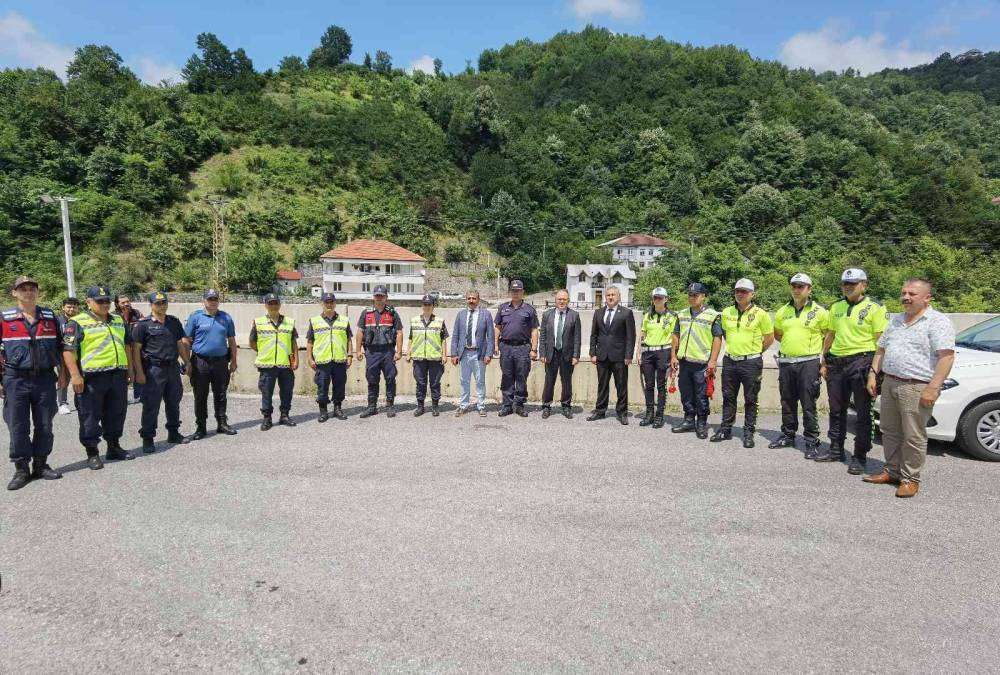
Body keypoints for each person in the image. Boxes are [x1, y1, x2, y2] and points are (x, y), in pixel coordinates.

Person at [863, 279, 955, 498]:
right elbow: (881, 349)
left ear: (927, 298)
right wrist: (873, 374)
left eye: (912, 294)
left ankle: (910, 479)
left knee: (913, 435)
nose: (906, 297)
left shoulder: (938, 322)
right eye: (904, 293)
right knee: (889, 430)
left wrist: (933, 387)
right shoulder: (896, 320)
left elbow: (947, 357)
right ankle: (892, 471)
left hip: (917, 386)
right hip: (890, 382)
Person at [814, 268, 888, 474]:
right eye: (845, 284)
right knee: (836, 409)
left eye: (853, 284)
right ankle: (836, 449)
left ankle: (860, 456)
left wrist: (875, 371)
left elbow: (881, 343)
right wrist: (823, 361)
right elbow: (830, 335)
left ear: (864, 285)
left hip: (862, 361)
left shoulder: (876, 307)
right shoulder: (836, 306)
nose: (848, 287)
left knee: (863, 413)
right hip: (836, 363)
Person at [2, 276, 65, 490]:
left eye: (32, 288)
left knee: (45, 424)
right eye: (23, 289)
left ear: (37, 292)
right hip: (15, 379)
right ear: (15, 293)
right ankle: (21, 469)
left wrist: (63, 374)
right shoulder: (4, 318)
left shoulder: (50, 317)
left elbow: (61, 347)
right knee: (17, 425)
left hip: (44, 378)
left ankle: (40, 464)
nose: (28, 292)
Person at [62, 285, 136, 469]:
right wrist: (75, 376)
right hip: (92, 378)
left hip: (117, 374)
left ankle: (114, 447)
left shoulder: (118, 319)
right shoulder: (77, 322)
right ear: (88, 302)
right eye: (99, 301)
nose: (104, 304)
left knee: (116, 413)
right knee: (90, 416)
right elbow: (68, 350)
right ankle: (92, 452)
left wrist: (130, 369)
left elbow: (127, 345)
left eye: (107, 301)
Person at [771, 273, 829, 455]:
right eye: (794, 286)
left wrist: (823, 361)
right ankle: (788, 435)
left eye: (801, 286)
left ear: (809, 289)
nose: (796, 290)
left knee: (808, 403)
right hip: (787, 362)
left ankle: (811, 441)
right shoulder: (782, 311)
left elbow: (829, 336)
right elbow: (778, 334)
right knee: (787, 401)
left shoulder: (820, 312)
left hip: (809, 363)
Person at [712, 279, 774, 448]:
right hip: (730, 360)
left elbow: (769, 338)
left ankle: (748, 432)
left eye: (744, 291)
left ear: (752, 294)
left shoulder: (761, 314)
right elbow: (724, 334)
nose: (740, 294)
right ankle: (726, 429)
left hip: (751, 362)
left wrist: (756, 352)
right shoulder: (726, 312)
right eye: (737, 291)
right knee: (728, 396)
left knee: (751, 398)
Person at [131, 291, 191, 453]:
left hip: (172, 368)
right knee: (151, 405)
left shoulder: (173, 322)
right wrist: (139, 372)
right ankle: (148, 438)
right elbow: (136, 350)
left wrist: (187, 361)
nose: (162, 306)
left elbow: (179, 343)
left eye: (164, 302)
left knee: (173, 402)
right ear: (151, 305)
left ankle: (173, 432)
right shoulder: (143, 325)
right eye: (158, 303)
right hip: (153, 370)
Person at [183, 289, 238, 440]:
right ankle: (201, 427)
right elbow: (186, 340)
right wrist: (187, 362)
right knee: (200, 395)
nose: (213, 302)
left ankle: (222, 423)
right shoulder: (195, 317)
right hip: (200, 362)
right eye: (210, 299)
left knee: (221, 394)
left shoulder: (226, 317)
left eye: (215, 299)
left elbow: (232, 341)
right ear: (204, 300)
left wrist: (234, 360)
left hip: (221, 362)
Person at [670, 283, 723, 439]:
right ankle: (688, 420)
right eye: (690, 295)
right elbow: (675, 335)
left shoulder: (713, 315)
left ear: (703, 296)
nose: (692, 298)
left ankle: (701, 423)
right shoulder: (681, 314)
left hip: (702, 363)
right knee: (686, 393)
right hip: (685, 361)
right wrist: (673, 356)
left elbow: (717, 338)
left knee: (701, 395)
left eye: (695, 295)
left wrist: (713, 361)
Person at [250, 294, 298, 430]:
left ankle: (284, 415)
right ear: (265, 305)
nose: (273, 306)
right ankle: (267, 418)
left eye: (275, 303)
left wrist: (295, 360)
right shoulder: (258, 322)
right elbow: (252, 342)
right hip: (267, 364)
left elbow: (293, 343)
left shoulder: (289, 322)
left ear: (279, 304)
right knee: (266, 392)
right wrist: (264, 352)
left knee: (287, 391)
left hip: (286, 364)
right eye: (270, 303)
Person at [588, 286, 636, 425]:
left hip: (620, 357)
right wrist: (592, 353)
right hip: (602, 355)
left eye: (613, 295)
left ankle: (622, 413)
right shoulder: (598, 313)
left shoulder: (626, 313)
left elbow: (631, 336)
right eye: (608, 295)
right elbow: (594, 335)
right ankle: (600, 411)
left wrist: (628, 355)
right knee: (602, 385)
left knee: (621, 385)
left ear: (618, 297)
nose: (610, 297)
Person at [355, 285, 403, 418]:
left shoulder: (392, 313)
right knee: (372, 379)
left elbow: (399, 332)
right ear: (373, 297)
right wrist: (358, 350)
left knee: (390, 378)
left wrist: (399, 351)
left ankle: (390, 405)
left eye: (382, 296)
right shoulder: (366, 313)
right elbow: (360, 332)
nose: (379, 298)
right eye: (377, 296)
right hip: (372, 352)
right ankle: (372, 407)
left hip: (388, 351)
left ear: (386, 297)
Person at [494, 280, 539, 417]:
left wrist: (534, 349)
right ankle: (507, 405)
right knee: (507, 377)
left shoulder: (529, 309)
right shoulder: (502, 308)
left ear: (522, 292)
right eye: (513, 291)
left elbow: (534, 330)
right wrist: (495, 345)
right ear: (510, 292)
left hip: (523, 348)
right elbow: (497, 327)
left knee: (521, 377)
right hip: (506, 347)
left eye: (518, 291)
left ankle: (519, 405)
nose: (516, 293)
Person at [306, 292, 352, 422]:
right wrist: (309, 358)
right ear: (322, 304)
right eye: (327, 302)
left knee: (339, 385)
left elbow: (349, 339)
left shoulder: (344, 320)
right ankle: (323, 411)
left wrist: (350, 355)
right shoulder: (315, 321)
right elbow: (310, 342)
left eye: (331, 302)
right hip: (322, 360)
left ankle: (337, 409)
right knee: (322, 386)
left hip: (339, 359)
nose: (329, 304)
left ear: (335, 303)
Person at [635, 287, 677, 429]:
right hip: (647, 353)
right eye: (655, 297)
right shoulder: (647, 315)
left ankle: (659, 415)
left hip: (663, 352)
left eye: (660, 297)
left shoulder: (672, 316)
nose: (657, 300)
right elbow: (642, 335)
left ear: (666, 299)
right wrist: (638, 352)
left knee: (661, 385)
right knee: (649, 385)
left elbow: (674, 338)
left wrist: (673, 356)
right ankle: (649, 414)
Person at [539, 289, 581, 419]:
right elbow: (543, 336)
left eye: (564, 299)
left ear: (568, 301)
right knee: (549, 381)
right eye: (559, 299)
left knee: (567, 382)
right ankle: (546, 406)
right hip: (551, 354)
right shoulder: (547, 315)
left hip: (567, 354)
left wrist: (576, 355)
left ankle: (566, 406)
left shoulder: (574, 315)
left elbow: (577, 337)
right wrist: (542, 353)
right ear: (555, 300)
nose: (561, 301)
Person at [450, 290, 494, 417]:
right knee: (464, 381)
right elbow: (455, 335)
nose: (471, 301)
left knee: (480, 381)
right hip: (464, 353)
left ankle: (481, 406)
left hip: (479, 354)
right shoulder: (461, 315)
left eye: (474, 298)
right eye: (469, 298)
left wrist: (488, 354)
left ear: (478, 300)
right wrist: (454, 354)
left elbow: (490, 336)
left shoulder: (486, 314)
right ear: (466, 300)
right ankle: (463, 405)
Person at [408, 294, 449, 417]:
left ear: (433, 306)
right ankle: (420, 407)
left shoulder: (439, 321)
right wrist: (408, 353)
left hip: (435, 357)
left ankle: (435, 406)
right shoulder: (414, 320)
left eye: (429, 304)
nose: (427, 306)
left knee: (435, 383)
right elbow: (411, 338)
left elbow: (443, 339)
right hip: (419, 357)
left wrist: (444, 355)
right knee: (420, 383)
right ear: (422, 306)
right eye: (425, 304)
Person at [114, 293, 143, 404]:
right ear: (117, 304)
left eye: (127, 301)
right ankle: (121, 398)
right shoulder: (113, 316)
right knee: (122, 374)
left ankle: (138, 396)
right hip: (121, 350)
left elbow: (144, 326)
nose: (126, 304)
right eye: (123, 302)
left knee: (138, 369)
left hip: (136, 348)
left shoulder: (137, 313)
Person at [56, 296, 79, 415]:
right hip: (62, 354)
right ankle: (62, 403)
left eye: (74, 307)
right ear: (63, 307)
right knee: (63, 379)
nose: (72, 309)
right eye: (69, 307)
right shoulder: (57, 321)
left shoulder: (81, 320)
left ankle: (80, 402)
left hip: (80, 355)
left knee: (79, 377)